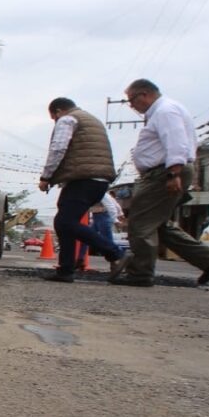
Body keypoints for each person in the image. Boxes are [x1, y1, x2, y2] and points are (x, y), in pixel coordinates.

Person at [113, 79, 209, 286]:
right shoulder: (166, 110)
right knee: (157, 225)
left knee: (141, 223)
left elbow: (176, 141)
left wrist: (173, 173)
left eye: (131, 100)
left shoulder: (165, 111)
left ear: (144, 94)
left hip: (163, 173)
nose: (132, 106)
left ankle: (140, 274)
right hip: (164, 171)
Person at [37, 97, 126, 283]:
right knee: (64, 222)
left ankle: (115, 252)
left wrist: (46, 176)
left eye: (53, 117)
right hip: (99, 181)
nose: (55, 121)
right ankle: (66, 269)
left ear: (58, 111)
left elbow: (58, 148)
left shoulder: (68, 119)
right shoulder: (92, 120)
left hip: (83, 179)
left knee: (65, 222)